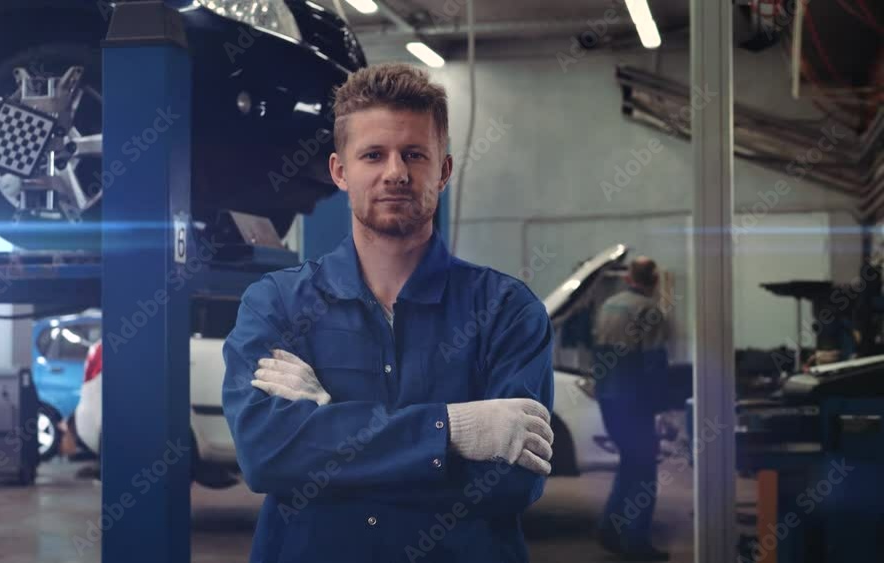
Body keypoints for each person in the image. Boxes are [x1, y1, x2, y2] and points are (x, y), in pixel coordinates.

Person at [222, 63, 555, 563]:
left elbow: (512, 482)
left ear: (442, 171)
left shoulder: (507, 312)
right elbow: (268, 457)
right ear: (340, 171)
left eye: (414, 155)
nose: (395, 172)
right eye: (373, 154)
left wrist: (329, 430)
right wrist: (453, 431)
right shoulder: (277, 305)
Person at [593, 256, 671, 561]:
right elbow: (654, 364)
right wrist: (662, 408)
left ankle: (609, 530)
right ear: (653, 281)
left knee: (630, 462)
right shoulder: (649, 311)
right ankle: (636, 542)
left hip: (608, 398)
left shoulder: (608, 306)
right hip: (636, 400)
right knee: (645, 469)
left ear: (628, 278)